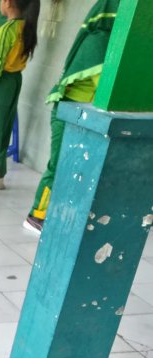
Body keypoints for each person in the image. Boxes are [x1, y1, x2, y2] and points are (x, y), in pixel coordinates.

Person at [25, 0, 119, 234]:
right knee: (58, 166)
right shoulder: (97, 44)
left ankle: (62, 215)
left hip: (82, 115)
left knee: (75, 169)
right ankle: (37, 215)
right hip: (66, 113)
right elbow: (107, 86)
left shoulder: (107, 45)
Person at [0, 0, 39, 190]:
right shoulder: (25, 28)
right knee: (3, 129)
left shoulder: (4, 31)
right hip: (14, 80)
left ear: (8, 3)